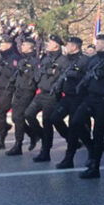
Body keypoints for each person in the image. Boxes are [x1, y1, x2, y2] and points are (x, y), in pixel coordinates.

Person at [62, 34, 104, 179]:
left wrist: (103, 75)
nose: (96, 44)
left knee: (98, 134)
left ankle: (95, 166)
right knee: (76, 122)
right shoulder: (94, 59)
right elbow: (87, 77)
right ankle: (90, 148)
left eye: (99, 42)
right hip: (90, 98)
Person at [24, 34, 67, 162]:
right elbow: (39, 72)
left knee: (47, 122)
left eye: (50, 42)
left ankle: (46, 151)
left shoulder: (63, 60)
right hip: (41, 92)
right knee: (28, 114)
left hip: (52, 95)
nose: (48, 44)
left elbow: (60, 77)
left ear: (56, 45)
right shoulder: (46, 57)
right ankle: (42, 137)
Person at [50, 36, 88, 167]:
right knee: (55, 118)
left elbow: (87, 77)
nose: (66, 46)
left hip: (78, 97)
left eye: (69, 44)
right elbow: (61, 75)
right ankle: (85, 143)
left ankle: (69, 158)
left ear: (75, 46)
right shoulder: (66, 59)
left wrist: (76, 75)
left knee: (74, 126)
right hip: (67, 96)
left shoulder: (84, 60)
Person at [5, 38, 40, 156]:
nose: (22, 46)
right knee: (15, 118)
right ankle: (32, 134)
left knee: (18, 116)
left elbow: (37, 78)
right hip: (18, 90)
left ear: (30, 47)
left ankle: (18, 145)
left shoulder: (35, 61)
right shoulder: (22, 59)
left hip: (27, 91)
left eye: (24, 45)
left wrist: (26, 71)